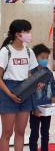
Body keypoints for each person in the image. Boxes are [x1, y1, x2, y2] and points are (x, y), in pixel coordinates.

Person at [0, 19, 39, 151]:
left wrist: (36, 84)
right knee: (7, 133)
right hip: (8, 91)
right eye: (26, 31)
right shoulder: (6, 51)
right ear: (17, 34)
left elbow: (33, 74)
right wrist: (9, 94)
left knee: (20, 132)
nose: (29, 34)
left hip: (25, 91)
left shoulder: (29, 52)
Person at [29, 44, 55, 151]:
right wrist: (34, 108)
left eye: (46, 58)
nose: (45, 60)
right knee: (34, 133)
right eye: (42, 57)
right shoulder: (31, 73)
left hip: (47, 108)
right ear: (35, 58)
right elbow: (30, 93)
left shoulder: (48, 73)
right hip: (35, 110)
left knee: (45, 133)